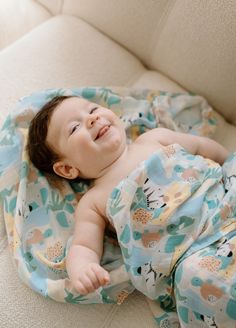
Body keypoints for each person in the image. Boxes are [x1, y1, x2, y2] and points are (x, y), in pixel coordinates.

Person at [27, 95, 230, 295]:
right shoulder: (93, 202)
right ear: (67, 169)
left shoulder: (154, 138)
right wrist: (82, 269)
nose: (92, 119)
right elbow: (83, 245)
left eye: (92, 109)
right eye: (74, 128)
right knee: (195, 280)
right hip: (191, 252)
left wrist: (229, 161)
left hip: (225, 201)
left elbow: (202, 146)